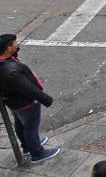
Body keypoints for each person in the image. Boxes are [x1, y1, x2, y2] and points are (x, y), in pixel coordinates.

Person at [0, 34, 61, 164]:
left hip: (13, 102)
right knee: (30, 127)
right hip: (26, 103)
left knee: (20, 124)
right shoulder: (11, 71)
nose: (17, 44)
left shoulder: (5, 62)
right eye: (14, 43)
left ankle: (27, 146)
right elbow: (28, 89)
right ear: (8, 48)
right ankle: (37, 153)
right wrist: (46, 99)